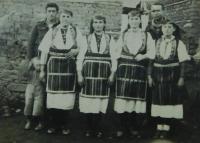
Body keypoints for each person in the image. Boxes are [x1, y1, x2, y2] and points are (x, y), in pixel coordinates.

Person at [39, 9, 84, 135]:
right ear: (60, 17)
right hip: (54, 66)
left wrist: (77, 50)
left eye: (68, 16)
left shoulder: (76, 31)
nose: (65, 19)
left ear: (71, 18)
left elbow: (83, 47)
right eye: (63, 16)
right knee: (53, 97)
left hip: (69, 67)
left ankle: (64, 125)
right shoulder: (52, 31)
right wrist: (42, 70)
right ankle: (54, 125)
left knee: (66, 97)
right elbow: (44, 51)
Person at [113, 9, 155, 138]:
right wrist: (122, 59)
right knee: (123, 98)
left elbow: (152, 52)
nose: (134, 21)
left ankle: (133, 127)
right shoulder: (124, 34)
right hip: (124, 70)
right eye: (132, 19)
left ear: (140, 21)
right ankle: (122, 127)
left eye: (137, 19)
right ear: (129, 21)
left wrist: (143, 56)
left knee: (136, 98)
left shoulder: (147, 35)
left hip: (139, 70)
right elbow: (115, 51)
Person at [148, 20, 191, 139]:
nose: (166, 29)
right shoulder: (155, 42)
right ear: (161, 29)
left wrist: (182, 77)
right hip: (158, 76)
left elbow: (183, 63)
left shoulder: (179, 43)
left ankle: (166, 128)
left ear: (173, 29)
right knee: (158, 101)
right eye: (164, 27)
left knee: (169, 101)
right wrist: (149, 76)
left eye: (169, 27)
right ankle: (159, 127)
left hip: (173, 76)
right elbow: (151, 61)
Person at [76, 15, 117, 138]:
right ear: (92, 24)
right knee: (88, 101)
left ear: (104, 24)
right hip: (88, 73)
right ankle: (89, 128)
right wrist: (79, 75)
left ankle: (97, 128)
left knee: (100, 102)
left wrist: (112, 74)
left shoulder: (110, 39)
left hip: (104, 75)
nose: (98, 25)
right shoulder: (86, 38)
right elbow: (80, 58)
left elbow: (114, 58)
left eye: (100, 22)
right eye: (95, 22)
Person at [24, 57, 44, 131]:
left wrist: (43, 79)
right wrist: (29, 66)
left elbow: (44, 81)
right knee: (28, 104)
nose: (38, 67)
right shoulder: (30, 71)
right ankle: (29, 121)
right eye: (37, 65)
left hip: (39, 88)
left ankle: (39, 122)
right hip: (30, 87)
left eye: (39, 65)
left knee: (38, 105)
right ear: (33, 65)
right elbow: (24, 74)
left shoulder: (42, 72)